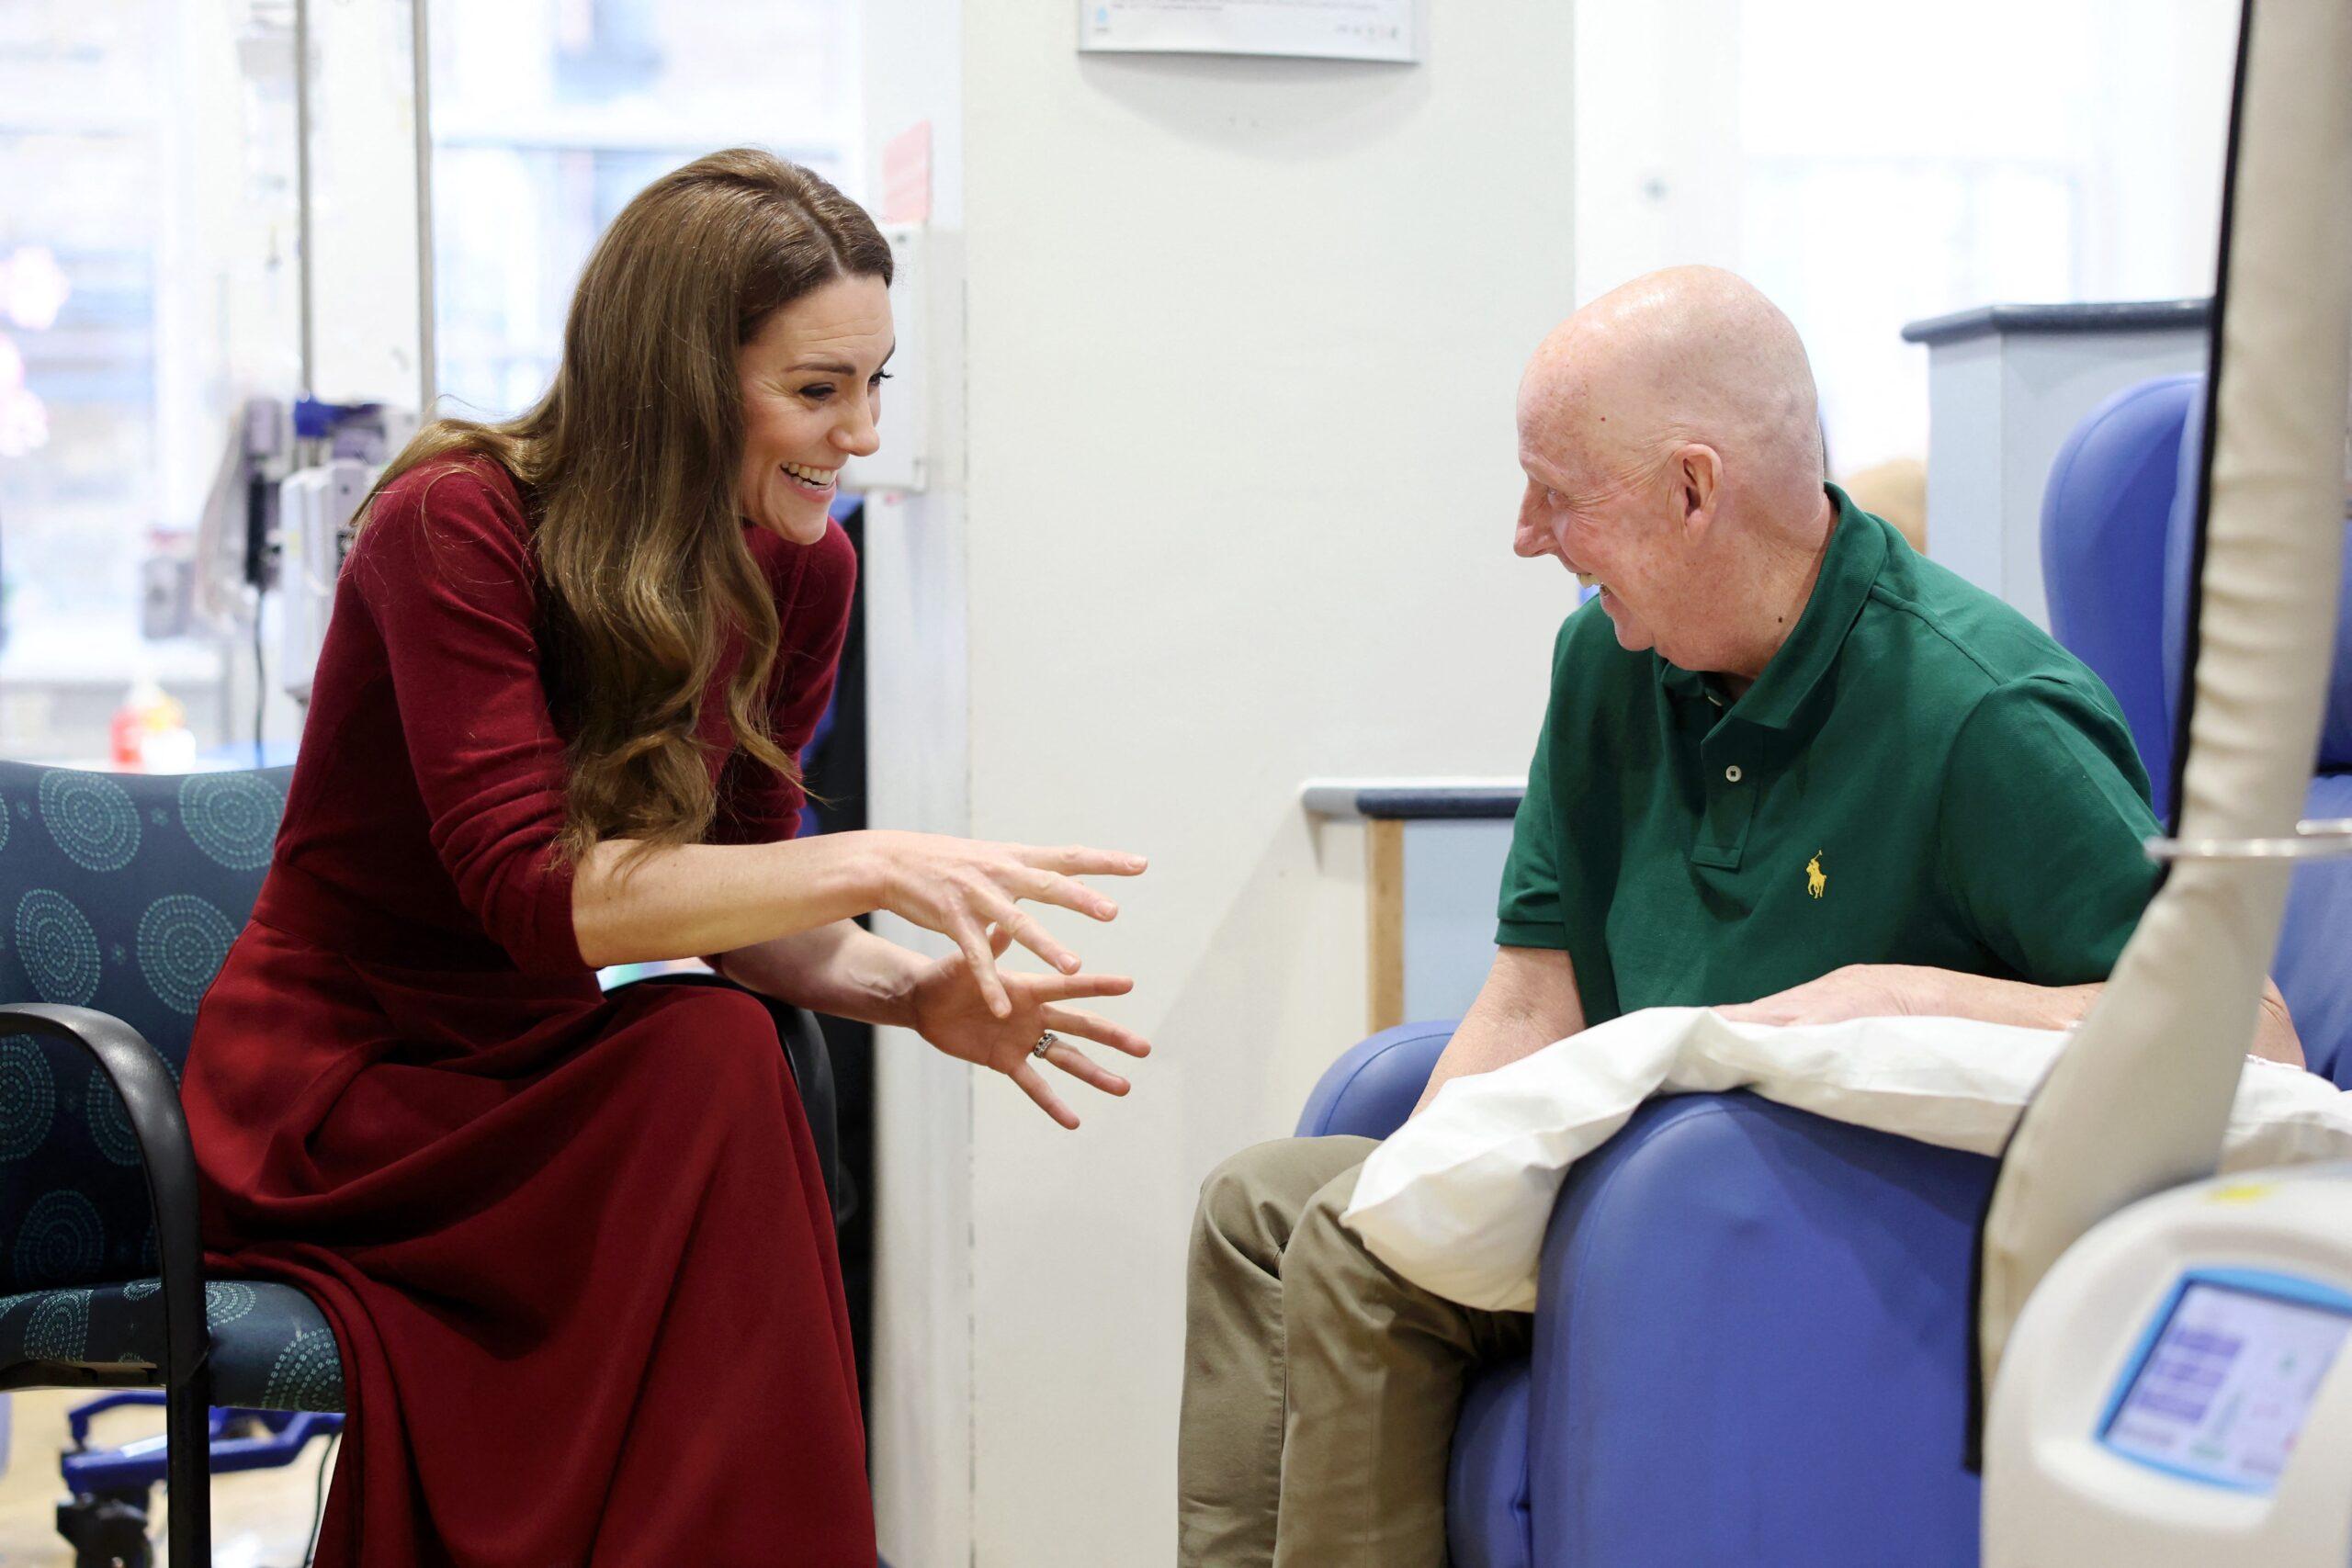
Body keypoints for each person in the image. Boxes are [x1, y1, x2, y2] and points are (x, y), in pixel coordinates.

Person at [1174, 265, 2302, 1568]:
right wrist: (1432, 1174)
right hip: (1630, 1181)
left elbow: (2248, 1036)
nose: (1526, 532)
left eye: (1558, 490)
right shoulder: (1608, 660)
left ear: (1693, 491)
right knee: (1267, 1210)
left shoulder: (1983, 713)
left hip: (1820, 1227)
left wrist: (1905, 994)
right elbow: (1536, 996)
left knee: (1363, 1263)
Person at [185, 149, 1151, 1566]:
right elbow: (539, 897)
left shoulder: (803, 568)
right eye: (818, 392)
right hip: (348, 1099)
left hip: (536, 1084)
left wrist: (914, 995)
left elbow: (753, 916)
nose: (861, 435)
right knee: (708, 1061)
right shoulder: (451, 521)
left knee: (714, 1041)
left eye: (877, 385)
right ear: (679, 380)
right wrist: (868, 860)